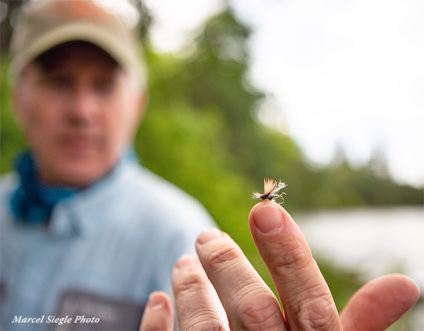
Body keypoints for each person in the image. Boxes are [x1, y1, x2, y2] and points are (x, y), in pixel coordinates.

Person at [1, 1, 419, 331]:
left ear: (137, 105)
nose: (82, 111)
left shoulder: (177, 231)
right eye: (58, 81)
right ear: (18, 98)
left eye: (104, 85)